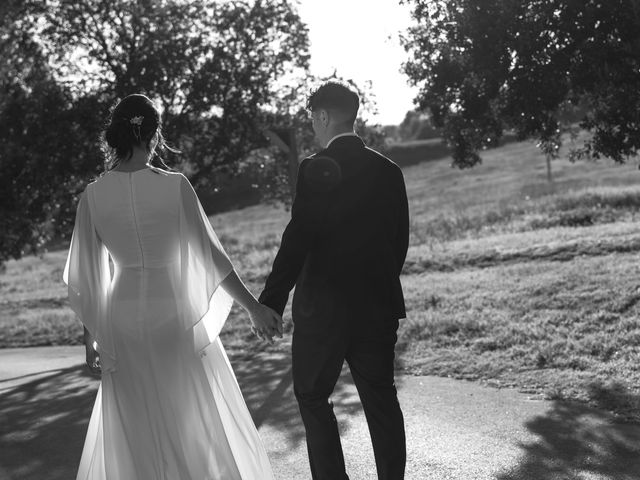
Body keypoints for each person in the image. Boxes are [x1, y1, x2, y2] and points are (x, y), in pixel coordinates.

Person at [63, 93, 282, 480]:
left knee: (134, 422)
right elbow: (211, 257)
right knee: (189, 417)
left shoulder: (92, 195)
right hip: (174, 312)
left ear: (115, 135)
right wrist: (253, 307)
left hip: (122, 316)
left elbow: (88, 276)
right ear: (154, 134)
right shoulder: (175, 186)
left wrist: (90, 336)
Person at [259, 81, 409, 480]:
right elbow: (399, 242)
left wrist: (271, 299)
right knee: (381, 400)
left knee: (311, 395)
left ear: (324, 116)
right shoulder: (389, 170)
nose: (312, 126)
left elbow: (299, 237)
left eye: (312, 118)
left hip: (322, 311)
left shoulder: (315, 168)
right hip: (377, 307)